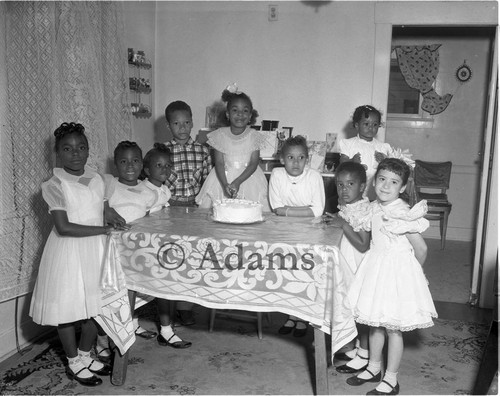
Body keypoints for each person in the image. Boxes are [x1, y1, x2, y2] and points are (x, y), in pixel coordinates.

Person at [29, 122, 113, 386]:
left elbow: (104, 208)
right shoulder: (54, 184)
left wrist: (115, 220)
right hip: (68, 250)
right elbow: (63, 227)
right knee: (67, 308)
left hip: (95, 248)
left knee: (94, 307)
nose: (76, 154)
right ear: (57, 153)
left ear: (88, 151)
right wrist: (102, 229)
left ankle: (87, 354)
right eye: (68, 149)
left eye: (81, 148)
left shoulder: (97, 177)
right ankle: (73, 360)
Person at [346, 158, 437, 395]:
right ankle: (374, 366)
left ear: (403, 187)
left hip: (396, 275)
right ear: (374, 181)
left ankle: (391, 378)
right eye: (382, 179)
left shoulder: (401, 213)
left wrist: (411, 277)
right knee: (375, 323)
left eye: (394, 182)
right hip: (376, 269)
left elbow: (422, 249)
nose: (386, 186)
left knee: (393, 328)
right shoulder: (375, 206)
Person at [104, 141, 192, 349]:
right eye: (124, 161)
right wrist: (107, 212)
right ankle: (127, 327)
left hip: (141, 247)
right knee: (124, 293)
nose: (130, 166)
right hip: (117, 249)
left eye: (135, 160)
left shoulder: (147, 191)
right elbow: (98, 200)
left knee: (163, 282)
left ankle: (166, 329)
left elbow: (150, 218)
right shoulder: (109, 184)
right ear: (115, 164)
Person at [268, 135, 325, 337]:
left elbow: (317, 210)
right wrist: (299, 210)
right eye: (290, 157)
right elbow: (276, 207)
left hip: (309, 232)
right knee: (287, 274)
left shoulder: (314, 177)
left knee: (305, 275)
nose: (296, 162)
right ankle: (291, 316)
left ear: (307, 159)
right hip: (284, 232)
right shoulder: (276, 174)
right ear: (282, 159)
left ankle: (303, 319)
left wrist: (287, 210)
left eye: (301, 157)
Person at [163, 100, 212, 325]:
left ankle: (186, 306)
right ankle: (165, 304)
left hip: (193, 209)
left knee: (191, 257)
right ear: (168, 126)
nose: (182, 128)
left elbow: (207, 182)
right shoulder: (162, 151)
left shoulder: (202, 151)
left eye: (186, 122)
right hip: (169, 208)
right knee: (168, 255)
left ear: (192, 123)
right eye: (176, 123)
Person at [323, 161, 371, 373]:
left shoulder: (363, 210)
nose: (344, 190)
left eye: (350, 184)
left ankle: (365, 354)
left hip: (359, 265)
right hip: (347, 261)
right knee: (348, 306)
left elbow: (363, 244)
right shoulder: (347, 206)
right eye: (340, 185)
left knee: (361, 311)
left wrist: (343, 224)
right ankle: (352, 347)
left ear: (362, 186)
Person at [195, 85, 270, 210]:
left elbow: (253, 164)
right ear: (228, 114)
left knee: (249, 214)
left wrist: (238, 181)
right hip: (223, 178)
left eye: (245, 111)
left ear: (250, 115)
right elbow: (219, 163)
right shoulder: (219, 135)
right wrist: (225, 185)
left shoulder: (254, 136)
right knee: (221, 214)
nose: (240, 114)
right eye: (235, 110)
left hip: (248, 178)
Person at [339, 105, 392, 201]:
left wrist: (384, 161)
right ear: (357, 125)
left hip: (375, 189)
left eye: (375, 125)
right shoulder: (349, 143)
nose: (371, 127)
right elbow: (342, 164)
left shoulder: (382, 147)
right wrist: (352, 162)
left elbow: (391, 170)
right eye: (366, 124)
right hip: (355, 188)